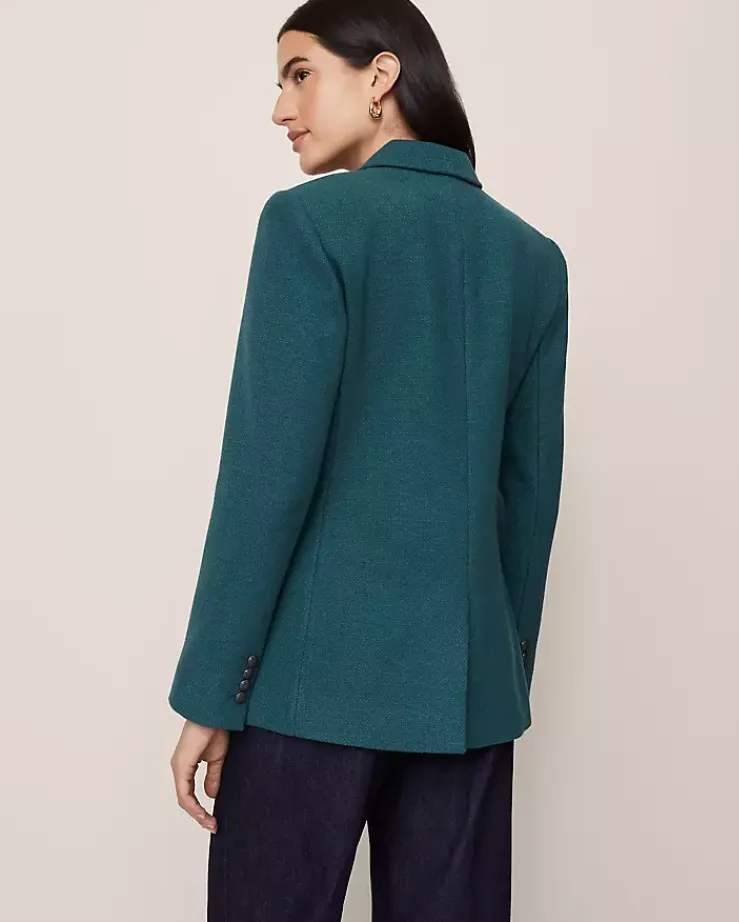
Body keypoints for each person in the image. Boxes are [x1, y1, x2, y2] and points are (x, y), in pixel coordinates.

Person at [167, 1, 568, 919]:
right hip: (470, 700)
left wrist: (213, 692)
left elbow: (265, 480)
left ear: (381, 75)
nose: (281, 108)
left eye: (300, 73)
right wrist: (498, 676)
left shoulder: (310, 225)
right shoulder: (533, 259)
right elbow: (529, 497)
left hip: (310, 694)